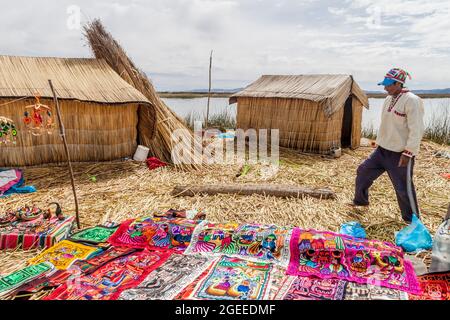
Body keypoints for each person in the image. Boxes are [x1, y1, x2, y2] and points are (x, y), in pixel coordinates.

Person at [350, 68, 425, 223]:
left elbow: (416, 129)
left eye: (388, 85)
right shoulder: (388, 99)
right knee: (363, 171)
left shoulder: (412, 100)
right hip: (382, 151)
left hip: (400, 154)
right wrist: (379, 142)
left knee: (403, 188)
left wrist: (408, 153)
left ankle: (412, 221)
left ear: (399, 83)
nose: (385, 88)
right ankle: (361, 202)